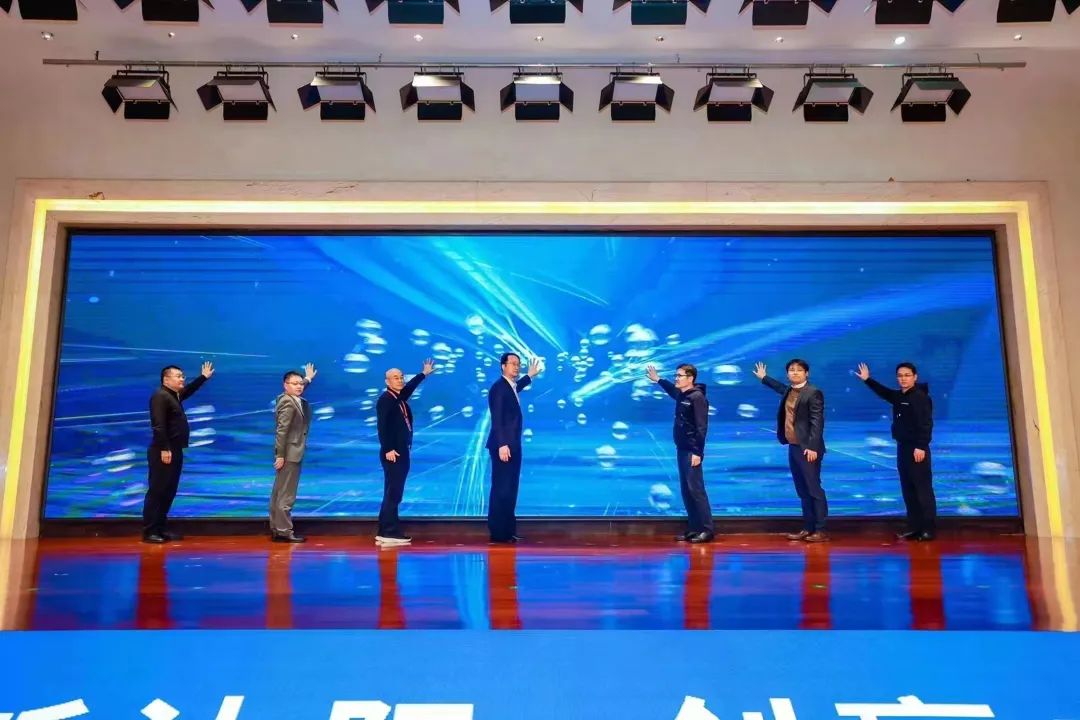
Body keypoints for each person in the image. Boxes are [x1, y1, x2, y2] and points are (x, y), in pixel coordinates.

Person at [856, 362, 936, 541]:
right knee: (908, 490)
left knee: (922, 490)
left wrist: (921, 446)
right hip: (903, 447)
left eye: (907, 375)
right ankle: (914, 527)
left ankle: (928, 529)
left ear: (915, 377)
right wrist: (867, 380)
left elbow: (926, 423)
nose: (903, 379)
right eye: (900, 376)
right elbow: (884, 393)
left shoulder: (920, 397)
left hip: (917, 449)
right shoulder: (900, 396)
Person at [754, 359, 828, 542]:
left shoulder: (813, 392)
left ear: (806, 373)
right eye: (791, 370)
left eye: (799, 370)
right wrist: (764, 378)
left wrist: (812, 447)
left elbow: (817, 422)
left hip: (808, 449)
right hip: (793, 447)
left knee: (813, 489)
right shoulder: (789, 390)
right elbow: (779, 387)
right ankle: (808, 528)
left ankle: (820, 530)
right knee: (802, 490)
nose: (795, 373)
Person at [143, 361, 214, 544]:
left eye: (183, 376)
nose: (182, 379)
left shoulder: (173, 396)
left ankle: (160, 528)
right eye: (178, 376)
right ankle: (150, 531)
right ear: (166, 379)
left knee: (169, 491)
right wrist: (164, 448)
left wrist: (203, 377)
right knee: (158, 491)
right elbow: (158, 425)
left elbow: (188, 391)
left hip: (175, 450)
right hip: (163, 451)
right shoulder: (160, 396)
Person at [646, 363, 714, 543]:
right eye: (675, 375)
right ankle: (694, 528)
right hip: (682, 448)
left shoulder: (697, 397)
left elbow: (701, 427)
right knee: (686, 490)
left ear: (690, 378)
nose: (676, 378)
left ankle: (706, 530)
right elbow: (672, 391)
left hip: (692, 450)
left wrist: (698, 452)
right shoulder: (683, 395)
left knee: (696, 490)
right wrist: (658, 379)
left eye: (679, 376)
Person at [375, 359, 436, 546]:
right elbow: (382, 426)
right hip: (393, 452)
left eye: (401, 377)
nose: (400, 380)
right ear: (387, 381)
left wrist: (423, 374)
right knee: (393, 493)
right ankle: (389, 531)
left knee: (393, 492)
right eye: (395, 377)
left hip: (401, 450)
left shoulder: (397, 398)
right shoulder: (386, 400)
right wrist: (388, 448)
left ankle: (386, 530)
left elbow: (408, 389)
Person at [486, 352, 541, 543]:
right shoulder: (498, 388)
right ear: (503, 366)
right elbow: (497, 417)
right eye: (513, 363)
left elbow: (517, 387)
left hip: (512, 445)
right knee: (501, 488)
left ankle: (508, 530)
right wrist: (502, 444)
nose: (517, 367)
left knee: (510, 488)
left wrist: (530, 375)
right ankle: (498, 533)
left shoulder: (509, 386)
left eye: (518, 364)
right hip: (503, 446)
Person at [271, 363, 317, 543]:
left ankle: (277, 528)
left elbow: (300, 385)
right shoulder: (287, 403)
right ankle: (284, 530)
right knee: (286, 493)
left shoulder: (291, 398)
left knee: (280, 491)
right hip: (290, 454)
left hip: (290, 453)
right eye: (295, 383)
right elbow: (281, 431)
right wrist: (280, 455)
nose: (299, 386)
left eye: (301, 383)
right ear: (285, 385)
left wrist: (308, 378)